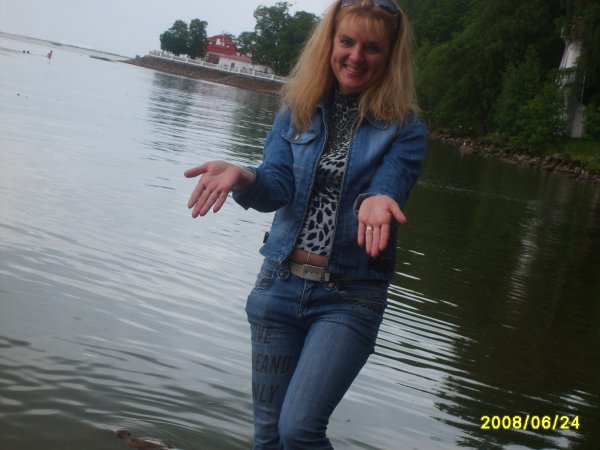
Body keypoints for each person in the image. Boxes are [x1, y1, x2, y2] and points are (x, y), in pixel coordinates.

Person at [185, 0, 427, 448]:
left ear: (390, 56)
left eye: (372, 48)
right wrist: (243, 176)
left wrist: (378, 200)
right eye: (347, 42)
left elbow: (392, 182)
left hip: (349, 297)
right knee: (268, 436)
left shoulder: (404, 127)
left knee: (299, 431)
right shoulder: (296, 108)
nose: (356, 56)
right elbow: (276, 187)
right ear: (329, 43)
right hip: (277, 286)